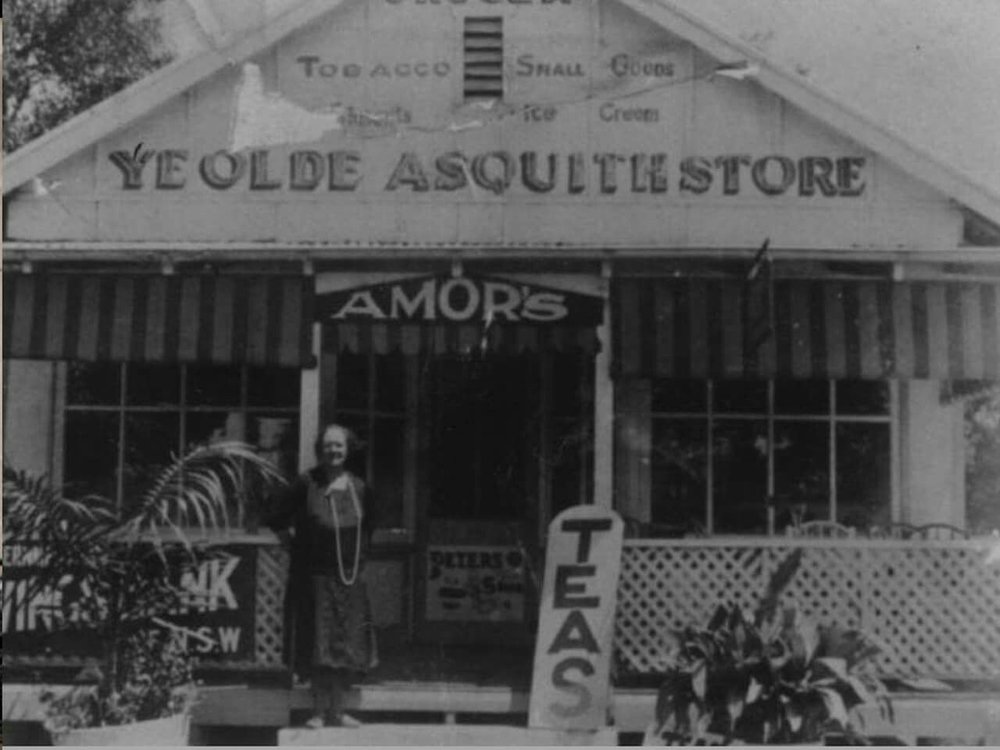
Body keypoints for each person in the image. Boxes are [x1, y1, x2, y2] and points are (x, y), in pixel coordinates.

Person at [265, 423, 378, 728]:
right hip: (314, 577)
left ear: (348, 449)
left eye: (339, 445)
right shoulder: (306, 484)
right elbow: (276, 517)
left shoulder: (360, 487)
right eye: (328, 445)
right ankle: (317, 710)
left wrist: (358, 563)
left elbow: (368, 530)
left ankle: (339, 711)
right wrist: (295, 548)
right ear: (320, 449)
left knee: (347, 643)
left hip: (349, 579)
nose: (333, 451)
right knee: (318, 642)